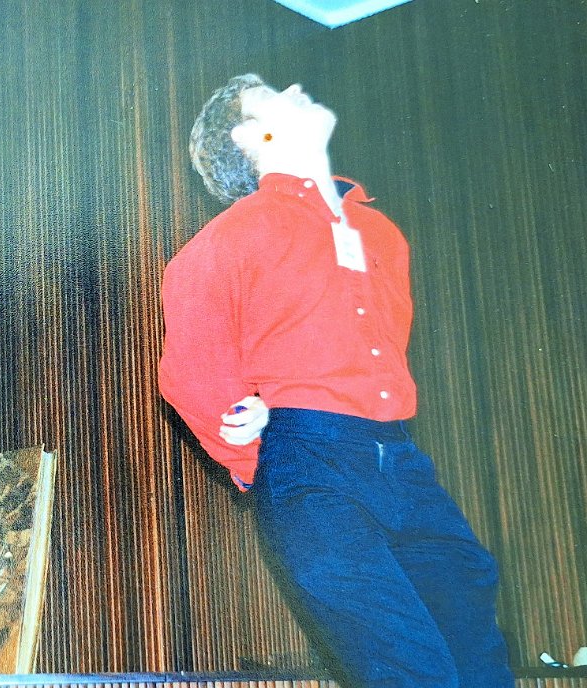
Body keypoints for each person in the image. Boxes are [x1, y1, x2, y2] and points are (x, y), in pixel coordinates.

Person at [158, 73, 515, 688]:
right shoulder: (225, 240)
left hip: (402, 461)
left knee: (477, 653)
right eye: (272, 96)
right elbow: (193, 376)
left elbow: (371, 351)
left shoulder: (382, 233)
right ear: (249, 136)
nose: (295, 87)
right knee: (409, 668)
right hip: (312, 465)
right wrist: (275, 443)